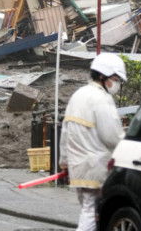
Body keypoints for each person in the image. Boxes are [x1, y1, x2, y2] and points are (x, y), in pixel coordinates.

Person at [59, 53, 127, 231]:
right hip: (95, 168)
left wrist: (64, 163)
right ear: (103, 76)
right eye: (115, 78)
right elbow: (112, 136)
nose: (117, 83)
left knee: (87, 209)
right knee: (91, 212)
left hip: (78, 167)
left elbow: (65, 133)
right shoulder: (102, 99)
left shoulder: (78, 95)